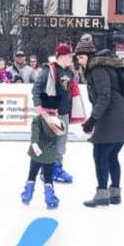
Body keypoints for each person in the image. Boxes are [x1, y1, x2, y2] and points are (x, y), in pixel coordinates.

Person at [78, 35, 124, 208]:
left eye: (82, 57)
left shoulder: (97, 69)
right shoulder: (106, 66)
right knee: (111, 155)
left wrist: (92, 119)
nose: (80, 61)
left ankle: (102, 194)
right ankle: (115, 194)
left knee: (100, 154)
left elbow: (104, 96)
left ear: (90, 56)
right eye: (78, 57)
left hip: (114, 116)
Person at [31, 43, 78, 184]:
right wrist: (38, 105)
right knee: (49, 142)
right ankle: (46, 171)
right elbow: (37, 88)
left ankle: (56, 168)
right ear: (62, 56)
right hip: (50, 112)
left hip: (64, 112)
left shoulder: (69, 71)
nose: (71, 59)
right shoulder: (49, 70)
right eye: (69, 56)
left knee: (61, 143)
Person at [21, 86, 65, 209]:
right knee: (48, 177)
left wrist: (35, 146)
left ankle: (27, 195)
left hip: (36, 154)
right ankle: (50, 198)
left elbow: (34, 134)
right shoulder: (59, 123)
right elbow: (59, 138)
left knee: (32, 174)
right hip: (50, 155)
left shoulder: (38, 120)